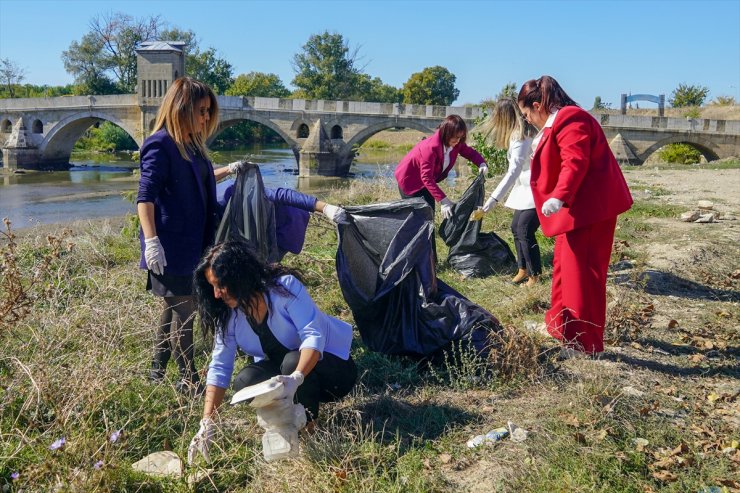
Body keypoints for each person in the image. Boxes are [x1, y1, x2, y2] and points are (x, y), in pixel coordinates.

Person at [187, 240, 357, 462]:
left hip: (333, 370)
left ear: (240, 276)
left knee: (291, 363)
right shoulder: (229, 315)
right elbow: (220, 366)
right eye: (212, 287)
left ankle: (310, 428)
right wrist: (207, 423)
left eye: (220, 285)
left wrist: (296, 377)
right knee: (246, 380)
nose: (217, 294)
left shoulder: (285, 289)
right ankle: (285, 423)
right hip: (288, 372)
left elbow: (313, 336)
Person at [137, 77, 249, 395]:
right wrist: (151, 243)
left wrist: (227, 170)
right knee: (185, 314)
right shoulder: (160, 144)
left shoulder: (192, 146)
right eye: (200, 111)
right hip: (169, 246)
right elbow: (145, 197)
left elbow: (195, 182)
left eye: (207, 112)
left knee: (173, 308)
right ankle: (190, 382)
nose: (204, 118)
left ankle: (155, 373)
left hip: (195, 245)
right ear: (181, 108)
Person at [517, 76, 633, 358]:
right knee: (563, 271)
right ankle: (559, 326)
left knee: (583, 276)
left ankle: (584, 343)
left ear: (537, 105)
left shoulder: (571, 118)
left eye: (526, 114)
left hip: (590, 211)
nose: (527, 120)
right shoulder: (558, 121)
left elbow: (575, 159)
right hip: (577, 212)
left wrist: (560, 194)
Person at [395, 114, 488, 261]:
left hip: (426, 182)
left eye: (460, 138)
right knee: (419, 220)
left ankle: (431, 261)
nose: (457, 141)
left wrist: (481, 163)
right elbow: (426, 177)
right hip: (410, 182)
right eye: (455, 137)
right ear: (446, 132)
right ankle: (413, 258)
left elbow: (469, 152)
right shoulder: (430, 147)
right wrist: (444, 200)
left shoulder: (456, 144)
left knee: (429, 218)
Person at [475, 98, 541, 287]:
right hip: (526, 188)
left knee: (525, 229)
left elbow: (514, 171)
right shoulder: (519, 134)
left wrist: (493, 199)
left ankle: (534, 275)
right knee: (516, 227)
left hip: (534, 189)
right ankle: (523, 269)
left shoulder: (521, 137)